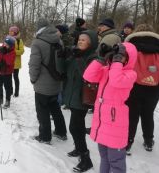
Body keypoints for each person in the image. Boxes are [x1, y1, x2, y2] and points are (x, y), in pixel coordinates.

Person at [83, 42, 138, 173]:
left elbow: (116, 80)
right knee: (104, 158)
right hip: (101, 124)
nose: (117, 59)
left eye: (122, 56)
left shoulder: (130, 74)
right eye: (116, 55)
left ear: (129, 59)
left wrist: (117, 62)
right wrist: (100, 59)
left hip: (116, 125)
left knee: (116, 162)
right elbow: (88, 76)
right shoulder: (107, 70)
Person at [62, 30, 98, 172]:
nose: (80, 41)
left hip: (83, 98)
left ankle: (86, 159)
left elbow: (88, 77)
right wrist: (62, 56)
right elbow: (64, 71)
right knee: (76, 127)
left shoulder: (94, 57)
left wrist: (76, 58)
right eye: (79, 39)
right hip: (73, 96)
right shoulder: (76, 54)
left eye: (84, 40)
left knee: (75, 128)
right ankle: (78, 149)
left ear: (91, 43)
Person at [29, 18, 67, 143]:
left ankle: (44, 137)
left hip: (42, 85)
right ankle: (61, 132)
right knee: (55, 107)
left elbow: (34, 65)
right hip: (56, 82)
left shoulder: (37, 42)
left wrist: (33, 79)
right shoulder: (59, 40)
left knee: (42, 111)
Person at [124, 24, 159, 154]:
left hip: (133, 85)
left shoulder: (130, 46)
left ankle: (128, 141)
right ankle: (149, 141)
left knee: (132, 115)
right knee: (148, 114)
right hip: (154, 87)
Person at [0, 35, 16, 109]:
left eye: (7, 44)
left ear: (11, 46)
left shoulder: (13, 52)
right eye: (4, 43)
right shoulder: (2, 49)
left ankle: (7, 101)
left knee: (7, 87)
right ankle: (0, 99)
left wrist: (3, 54)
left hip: (7, 73)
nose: (5, 45)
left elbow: (9, 62)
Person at [8, 26, 24, 97]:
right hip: (8, 62)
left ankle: (16, 92)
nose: (10, 32)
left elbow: (22, 51)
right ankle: (10, 91)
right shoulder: (8, 39)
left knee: (15, 77)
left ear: (15, 32)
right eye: (9, 31)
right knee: (9, 78)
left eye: (11, 31)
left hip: (16, 63)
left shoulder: (19, 40)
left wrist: (13, 51)